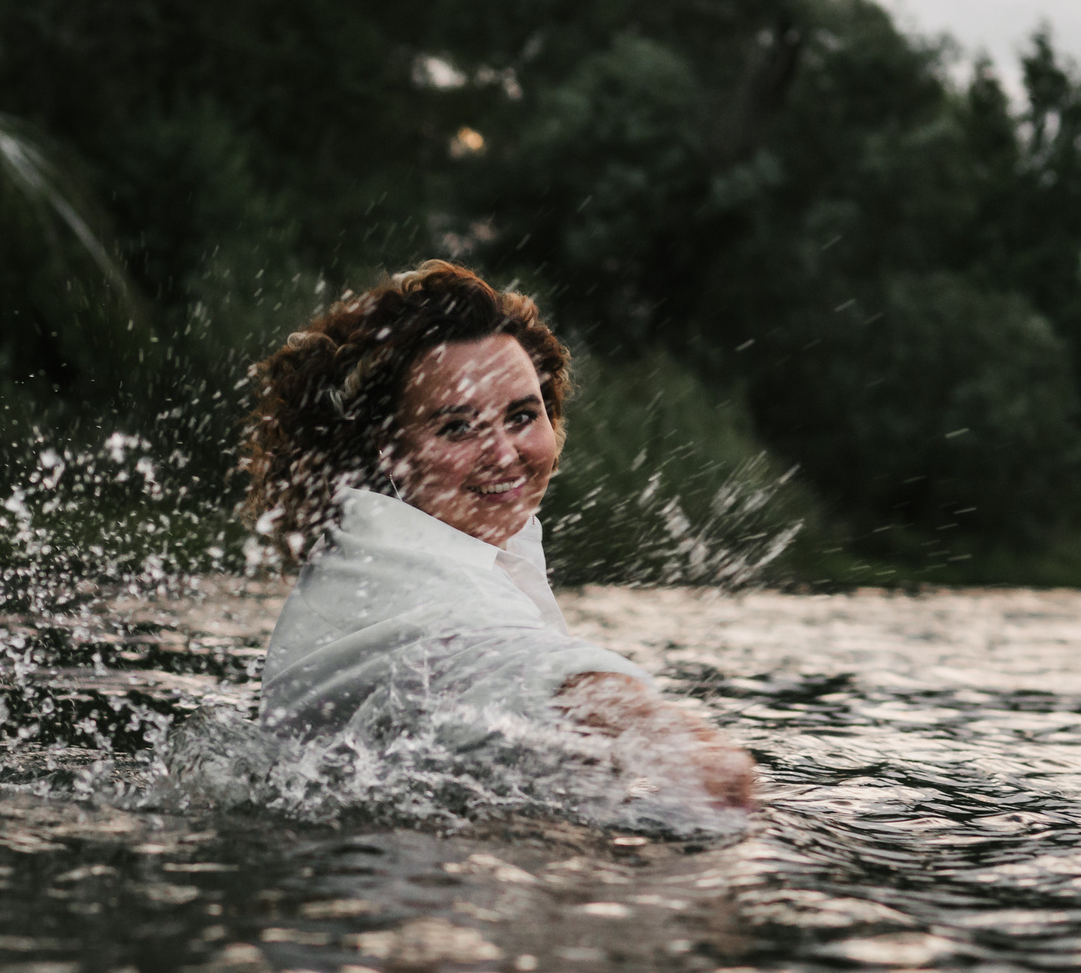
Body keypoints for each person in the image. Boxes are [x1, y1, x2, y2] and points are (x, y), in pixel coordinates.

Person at [242, 261, 758, 810]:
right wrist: (670, 740)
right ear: (385, 452)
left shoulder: (449, 540)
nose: (506, 455)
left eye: (521, 416)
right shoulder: (386, 572)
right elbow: (490, 656)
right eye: (458, 427)